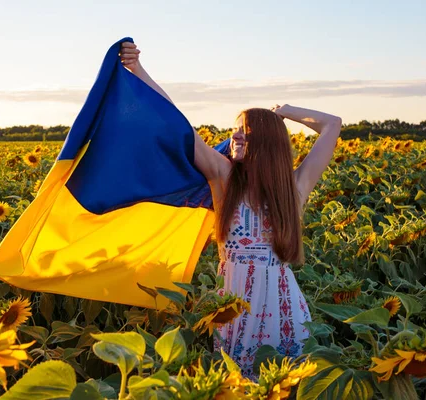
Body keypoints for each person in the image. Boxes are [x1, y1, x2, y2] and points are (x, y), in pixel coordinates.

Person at [120, 41, 342, 377]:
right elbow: (178, 125)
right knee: (233, 384)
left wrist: (284, 111)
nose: (234, 137)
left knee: (285, 384)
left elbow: (332, 124)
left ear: (266, 143)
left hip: (284, 311)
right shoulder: (223, 177)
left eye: (245, 132)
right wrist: (138, 71)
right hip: (233, 311)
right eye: (234, 130)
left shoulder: (294, 189)